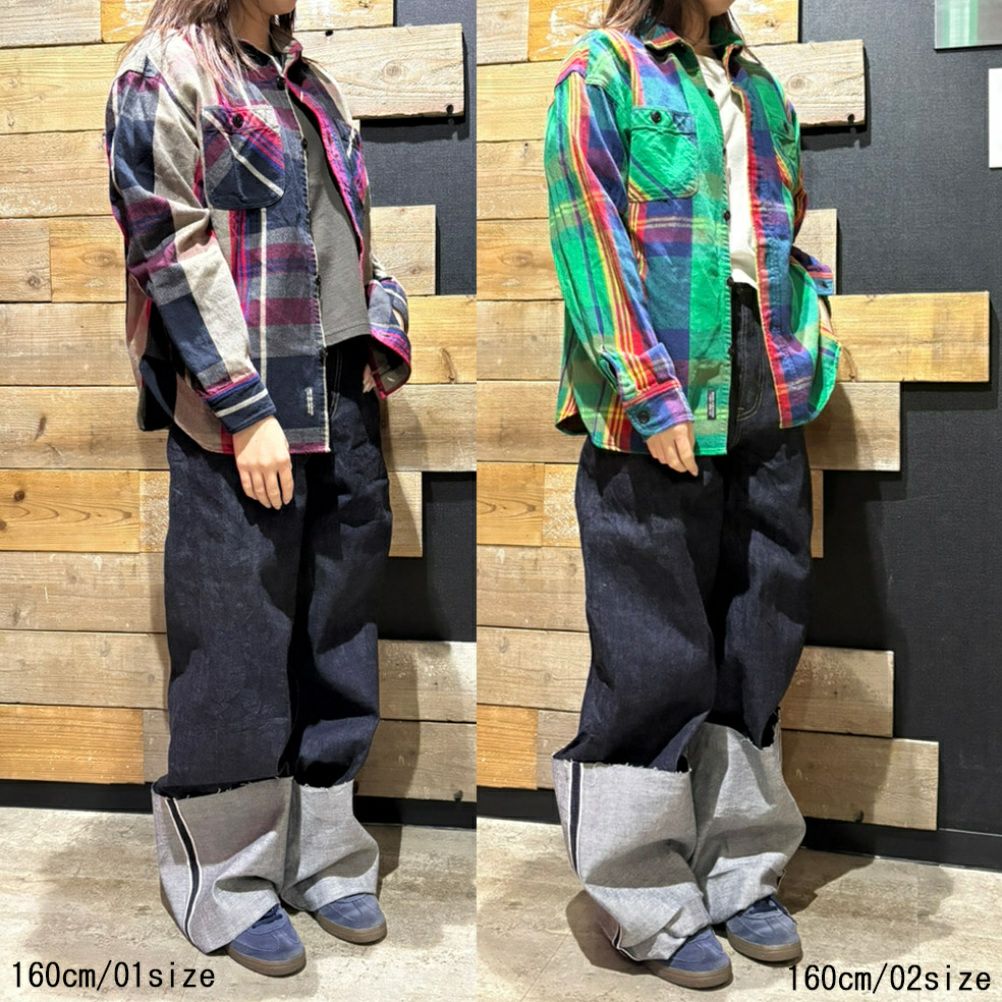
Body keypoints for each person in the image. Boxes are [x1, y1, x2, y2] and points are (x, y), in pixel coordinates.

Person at [103, 0, 411, 977]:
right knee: (236, 642)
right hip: (246, 410)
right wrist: (242, 407)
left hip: (342, 397)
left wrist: (383, 336)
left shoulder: (310, 83)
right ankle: (229, 878)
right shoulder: (165, 69)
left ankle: (324, 852)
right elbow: (167, 246)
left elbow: (349, 237)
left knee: (337, 629)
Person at [543, 0, 840, 989]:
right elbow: (590, 240)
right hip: (659, 391)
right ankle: (641, 892)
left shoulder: (758, 86)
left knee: (760, 634)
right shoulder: (604, 71)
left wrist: (807, 337)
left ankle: (739, 871)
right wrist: (647, 388)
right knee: (653, 650)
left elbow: (779, 236)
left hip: (764, 385)